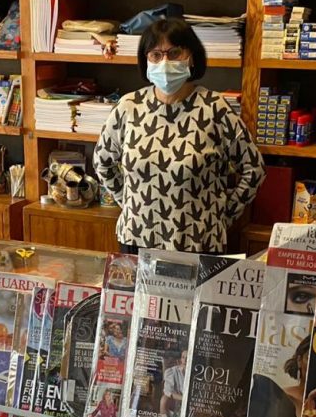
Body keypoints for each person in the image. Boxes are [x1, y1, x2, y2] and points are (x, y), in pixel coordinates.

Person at [94, 17, 265, 254]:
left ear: (191, 56)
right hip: (136, 240)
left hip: (198, 242)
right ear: (146, 61)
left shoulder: (214, 108)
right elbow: (102, 162)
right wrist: (129, 202)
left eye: (174, 53)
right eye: (155, 55)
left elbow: (253, 168)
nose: (164, 61)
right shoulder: (128, 107)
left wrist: (223, 215)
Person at [160, 350, 187, 417]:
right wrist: (184, 399)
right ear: (181, 359)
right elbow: (168, 392)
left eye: (188, 357)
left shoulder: (198, 372)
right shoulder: (172, 372)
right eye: (183, 357)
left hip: (191, 402)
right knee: (164, 399)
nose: (186, 360)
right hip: (177, 399)